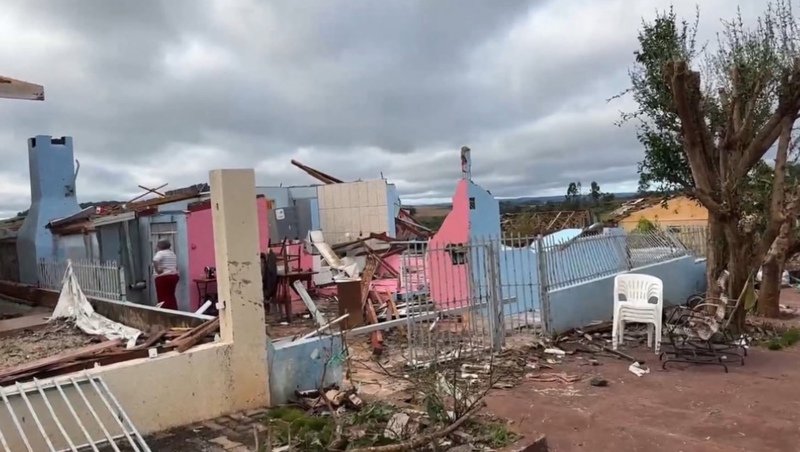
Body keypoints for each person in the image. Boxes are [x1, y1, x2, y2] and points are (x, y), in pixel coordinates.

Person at [153, 240, 179, 310]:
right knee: (170, 295)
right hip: (173, 276)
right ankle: (174, 309)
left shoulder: (160, 253)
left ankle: (164, 311)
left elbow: (155, 260)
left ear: (159, 246)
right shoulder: (172, 253)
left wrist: (157, 270)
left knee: (162, 296)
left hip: (163, 277)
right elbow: (175, 266)